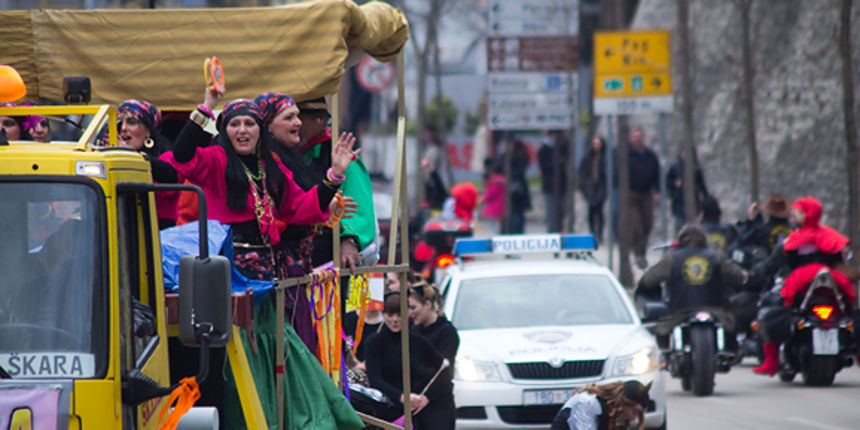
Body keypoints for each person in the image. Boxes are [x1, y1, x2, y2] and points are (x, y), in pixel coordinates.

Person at [171, 92, 355, 281]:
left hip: (264, 273)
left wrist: (335, 175)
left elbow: (301, 205)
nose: (242, 130)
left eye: (249, 124)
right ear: (225, 131)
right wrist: (206, 107)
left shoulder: (270, 166)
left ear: (260, 130)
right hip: (224, 272)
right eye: (235, 124)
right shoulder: (216, 159)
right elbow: (182, 156)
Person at [753, 196, 857, 376]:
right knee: (850, 306)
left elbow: (772, 265)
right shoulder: (831, 237)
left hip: (799, 285)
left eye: (795, 215)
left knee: (771, 306)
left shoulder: (790, 241)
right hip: (831, 283)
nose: (792, 219)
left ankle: (771, 361)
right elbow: (839, 261)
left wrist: (757, 271)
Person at [638, 225, 747, 356]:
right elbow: (739, 277)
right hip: (716, 311)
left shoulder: (672, 257)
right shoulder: (716, 256)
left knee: (662, 338)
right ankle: (731, 352)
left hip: (680, 312)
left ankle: (667, 357)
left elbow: (648, 280)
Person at [296, 97, 377, 271]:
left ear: (320, 120)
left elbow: (356, 205)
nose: (295, 124)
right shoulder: (283, 152)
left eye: (299, 118)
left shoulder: (340, 154)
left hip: (327, 260)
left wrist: (349, 241)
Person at [364, 292, 454, 429]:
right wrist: (401, 397)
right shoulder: (374, 343)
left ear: (407, 314)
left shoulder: (418, 341)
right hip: (388, 411)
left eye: (399, 315)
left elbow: (444, 371)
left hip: (420, 411)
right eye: (390, 315)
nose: (395, 320)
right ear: (383, 314)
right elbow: (375, 379)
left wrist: (426, 398)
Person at [116, 99, 181, 229]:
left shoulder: (166, 157)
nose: (123, 128)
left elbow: (171, 176)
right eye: (119, 122)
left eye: (132, 122)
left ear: (149, 131)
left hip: (158, 235)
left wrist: (133, 156)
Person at [615, 128, 660, 269]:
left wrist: (657, 190)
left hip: (646, 194)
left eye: (639, 136)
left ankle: (642, 251)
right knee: (636, 225)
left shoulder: (650, 155)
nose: (637, 139)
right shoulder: (626, 156)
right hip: (631, 194)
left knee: (647, 223)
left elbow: (656, 173)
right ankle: (638, 254)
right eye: (634, 137)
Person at [550, 380, 652, 430]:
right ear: (622, 403)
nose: (634, 418)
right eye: (634, 412)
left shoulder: (614, 414)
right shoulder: (587, 402)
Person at [666, 150, 708, 233]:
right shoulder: (674, 168)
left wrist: (705, 201)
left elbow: (702, 186)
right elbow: (668, 184)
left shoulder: (696, 168)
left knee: (693, 227)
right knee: (680, 226)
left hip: (694, 203)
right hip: (679, 202)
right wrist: (675, 185)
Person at [538, 130, 569, 233]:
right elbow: (544, 166)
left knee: (563, 211)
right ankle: (552, 234)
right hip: (549, 186)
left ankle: (560, 231)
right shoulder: (544, 149)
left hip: (563, 185)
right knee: (551, 213)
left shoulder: (563, 146)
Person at [579, 135, 607, 243]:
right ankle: (592, 232)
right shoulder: (588, 158)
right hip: (590, 189)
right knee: (591, 212)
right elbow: (583, 174)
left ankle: (599, 233)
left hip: (600, 188)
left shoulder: (604, 158)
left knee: (600, 212)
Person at [501, 139, 532, 234]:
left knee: (518, 216)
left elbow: (517, 172)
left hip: (518, 193)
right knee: (512, 216)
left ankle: (518, 233)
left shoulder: (520, 158)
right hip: (511, 193)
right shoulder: (505, 157)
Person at [479, 163, 505, 236]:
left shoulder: (495, 182)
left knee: (492, 221)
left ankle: (497, 234)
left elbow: (490, 193)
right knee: (498, 222)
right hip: (501, 204)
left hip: (494, 205)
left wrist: (482, 199)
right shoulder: (503, 181)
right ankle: (499, 233)